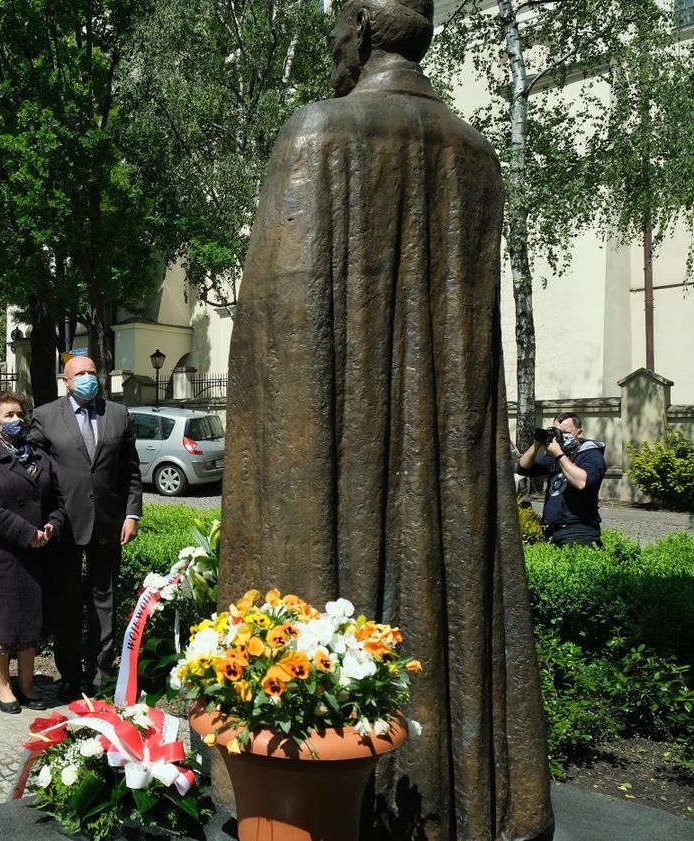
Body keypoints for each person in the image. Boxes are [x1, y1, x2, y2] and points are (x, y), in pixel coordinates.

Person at [218, 0, 554, 838]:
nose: (333, 40)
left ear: (362, 28)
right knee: (445, 578)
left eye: (336, 23)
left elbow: (279, 347)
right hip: (448, 466)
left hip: (339, 471)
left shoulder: (318, 133)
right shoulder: (477, 155)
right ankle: (463, 797)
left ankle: (330, 793)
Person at [27, 354, 142, 701]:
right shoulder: (45, 416)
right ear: (67, 380)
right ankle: (69, 677)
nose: (88, 378)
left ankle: (102, 676)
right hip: (63, 527)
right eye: (81, 373)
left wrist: (132, 514)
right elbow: (35, 474)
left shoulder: (118, 414)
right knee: (67, 604)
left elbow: (131, 472)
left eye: (93, 372)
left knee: (103, 601)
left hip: (108, 525)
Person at [0, 391, 65, 713]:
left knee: (30, 622)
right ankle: (3, 683)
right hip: (4, 553)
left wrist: (52, 524)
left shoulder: (39, 456)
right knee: (3, 624)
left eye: (20, 414)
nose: (17, 420)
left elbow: (57, 502)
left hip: (39, 552)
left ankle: (27, 682)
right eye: (8, 415)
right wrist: (27, 533)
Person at [516, 412, 607, 547]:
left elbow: (582, 482)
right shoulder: (555, 457)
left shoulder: (592, 455)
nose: (560, 437)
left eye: (565, 432)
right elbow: (523, 468)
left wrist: (558, 454)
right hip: (550, 531)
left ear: (579, 432)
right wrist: (537, 444)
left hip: (579, 531)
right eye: (557, 432)